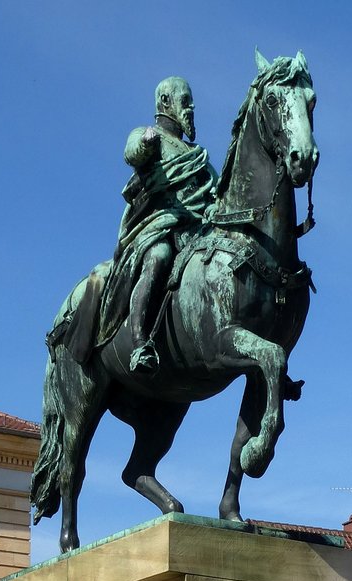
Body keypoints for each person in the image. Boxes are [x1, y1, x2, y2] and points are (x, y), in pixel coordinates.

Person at [101, 76, 218, 373]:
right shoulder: (148, 134)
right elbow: (131, 153)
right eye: (185, 101)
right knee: (160, 256)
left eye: (191, 102)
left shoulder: (197, 155)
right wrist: (145, 143)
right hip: (159, 225)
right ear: (166, 103)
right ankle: (139, 341)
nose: (191, 108)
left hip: (197, 228)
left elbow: (217, 190)